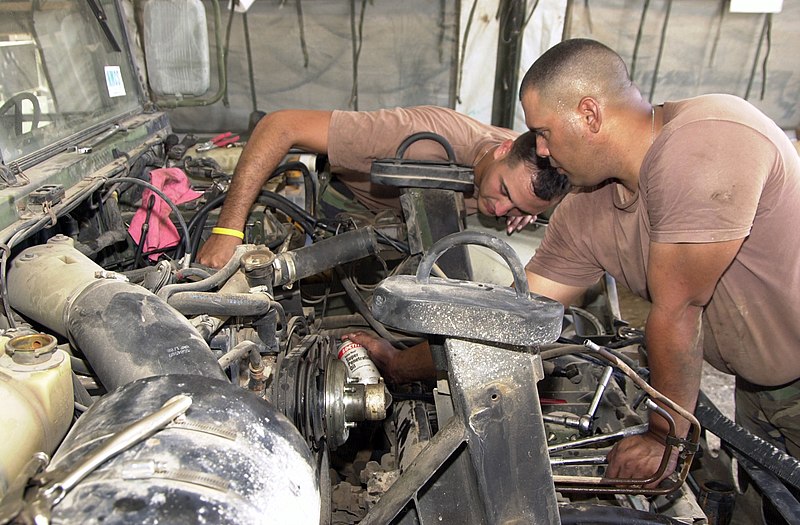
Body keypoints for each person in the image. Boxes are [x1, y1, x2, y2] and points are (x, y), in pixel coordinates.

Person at [354, 38, 800, 495]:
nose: (541, 150)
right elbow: (506, 321)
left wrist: (663, 437)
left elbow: (679, 309)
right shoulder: (586, 209)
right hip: (757, 389)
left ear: (590, 114)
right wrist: (398, 364)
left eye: (544, 131)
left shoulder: (708, 140)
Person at [196, 106, 570, 269]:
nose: (501, 210)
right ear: (503, 149)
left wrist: (524, 209)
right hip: (339, 210)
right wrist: (228, 229)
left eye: (519, 208)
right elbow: (280, 125)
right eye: (504, 192)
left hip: (413, 229)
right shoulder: (417, 136)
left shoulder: (533, 160)